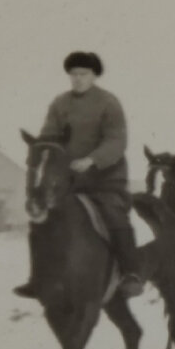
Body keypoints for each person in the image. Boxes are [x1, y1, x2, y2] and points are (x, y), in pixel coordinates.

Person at [13, 51, 144, 298]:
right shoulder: (59, 103)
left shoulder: (108, 103)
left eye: (83, 74)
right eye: (73, 74)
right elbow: (50, 136)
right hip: (69, 179)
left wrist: (92, 160)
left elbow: (117, 140)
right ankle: (37, 278)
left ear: (94, 75)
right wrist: (42, 148)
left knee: (113, 214)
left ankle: (130, 273)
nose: (77, 79)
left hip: (105, 177)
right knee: (41, 218)